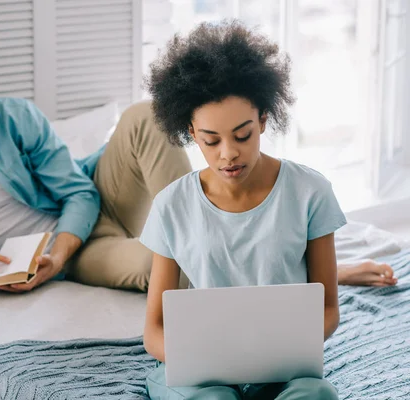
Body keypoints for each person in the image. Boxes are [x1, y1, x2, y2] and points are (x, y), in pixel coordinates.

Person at [0, 43, 395, 294]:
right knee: (157, 268)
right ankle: (313, 275)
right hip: (79, 255)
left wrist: (58, 248)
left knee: (142, 115)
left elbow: (77, 192)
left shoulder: (15, 117)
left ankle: (260, 246)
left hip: (91, 204)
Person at [140, 21, 342, 399]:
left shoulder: (310, 192)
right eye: (210, 140)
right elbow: (154, 329)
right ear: (190, 131)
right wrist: (203, 359)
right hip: (202, 375)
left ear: (264, 119)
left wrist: (274, 355)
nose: (228, 153)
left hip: (283, 369)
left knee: (317, 395)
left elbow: (328, 307)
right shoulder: (171, 205)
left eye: (243, 135)